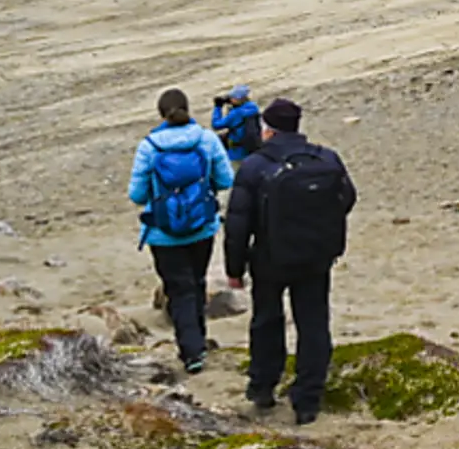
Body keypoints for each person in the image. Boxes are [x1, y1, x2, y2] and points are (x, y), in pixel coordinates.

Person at [223, 99, 356, 424]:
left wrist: (234, 269)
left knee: (267, 320)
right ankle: (308, 399)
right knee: (313, 324)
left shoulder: (254, 167)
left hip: (271, 257)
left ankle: (263, 387)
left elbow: (238, 222)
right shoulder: (326, 158)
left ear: (268, 130)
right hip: (316, 254)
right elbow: (347, 198)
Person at [128, 87, 234, 374]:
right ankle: (197, 340)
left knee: (179, 289)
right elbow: (225, 180)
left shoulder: (149, 146)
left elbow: (137, 195)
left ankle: (191, 350)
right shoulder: (206, 139)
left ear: (161, 113)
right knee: (196, 282)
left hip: (163, 232)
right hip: (202, 227)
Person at [211, 84, 263, 167]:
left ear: (237, 99)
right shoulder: (253, 107)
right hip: (250, 148)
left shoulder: (235, 113)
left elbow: (216, 125)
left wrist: (218, 107)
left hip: (236, 153)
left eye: (232, 97)